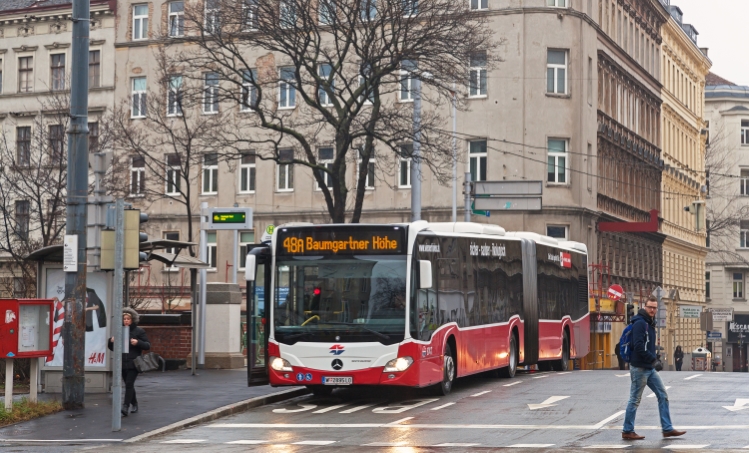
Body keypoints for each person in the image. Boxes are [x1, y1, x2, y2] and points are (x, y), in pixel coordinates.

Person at [622, 296, 685, 440]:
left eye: (655, 308)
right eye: (650, 307)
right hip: (639, 368)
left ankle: (667, 429)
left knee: (663, 395)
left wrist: (653, 358)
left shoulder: (650, 323)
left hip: (649, 368)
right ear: (645, 307)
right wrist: (653, 359)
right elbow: (638, 346)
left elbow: (647, 345)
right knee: (634, 399)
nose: (652, 310)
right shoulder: (640, 323)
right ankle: (627, 430)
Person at [108, 307, 150, 417]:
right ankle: (135, 403)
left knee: (129, 383)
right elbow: (112, 348)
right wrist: (111, 341)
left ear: (132, 320)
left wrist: (138, 342)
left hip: (134, 363)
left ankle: (125, 406)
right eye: (124, 319)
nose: (126, 320)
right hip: (122, 362)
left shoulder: (139, 331)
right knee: (128, 384)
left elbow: (147, 345)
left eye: (128, 319)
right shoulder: (119, 330)